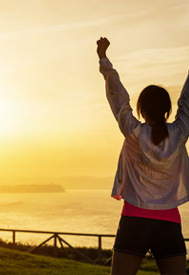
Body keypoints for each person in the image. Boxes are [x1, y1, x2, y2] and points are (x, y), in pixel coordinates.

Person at [97, 37, 189, 275]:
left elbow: (118, 98)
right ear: (168, 110)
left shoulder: (134, 132)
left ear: (141, 109)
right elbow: (188, 100)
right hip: (169, 223)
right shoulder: (179, 134)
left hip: (134, 220)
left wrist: (104, 59)